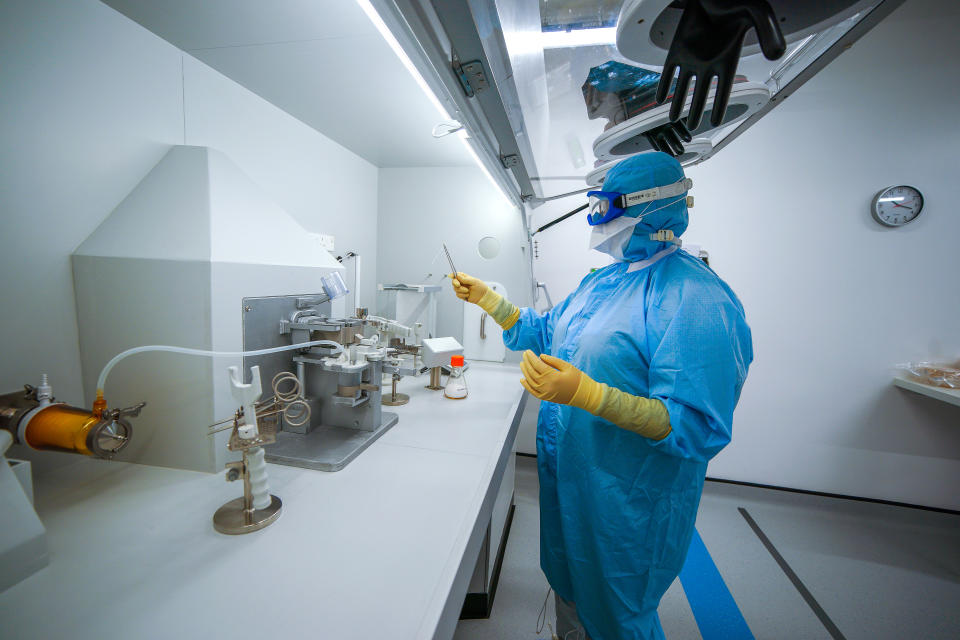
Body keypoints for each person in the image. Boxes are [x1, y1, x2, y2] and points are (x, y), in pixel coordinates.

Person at [450, 151, 753, 640]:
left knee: (616, 615)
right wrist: (490, 300)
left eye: (605, 208)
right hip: (574, 477)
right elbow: (549, 331)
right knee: (571, 589)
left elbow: (696, 425)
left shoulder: (697, 298)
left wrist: (590, 395)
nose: (596, 221)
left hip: (627, 497)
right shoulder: (604, 281)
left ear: (650, 209)